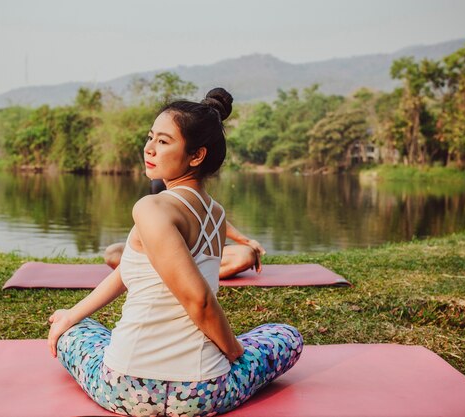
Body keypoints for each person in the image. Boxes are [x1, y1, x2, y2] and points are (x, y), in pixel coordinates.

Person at [47, 88, 303, 417]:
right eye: (150, 137)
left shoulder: (151, 208)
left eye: (164, 141)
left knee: (77, 333)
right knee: (285, 335)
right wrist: (235, 357)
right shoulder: (216, 214)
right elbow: (128, 270)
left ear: (196, 155)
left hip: (127, 388)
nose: (149, 148)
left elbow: (200, 302)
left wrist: (234, 349)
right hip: (205, 394)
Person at [104, 183, 267, 279]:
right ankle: (175, 275)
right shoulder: (154, 195)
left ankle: (184, 276)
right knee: (112, 253)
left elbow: (215, 217)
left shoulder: (191, 188)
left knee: (245, 256)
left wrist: (247, 241)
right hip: (161, 256)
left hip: (198, 254)